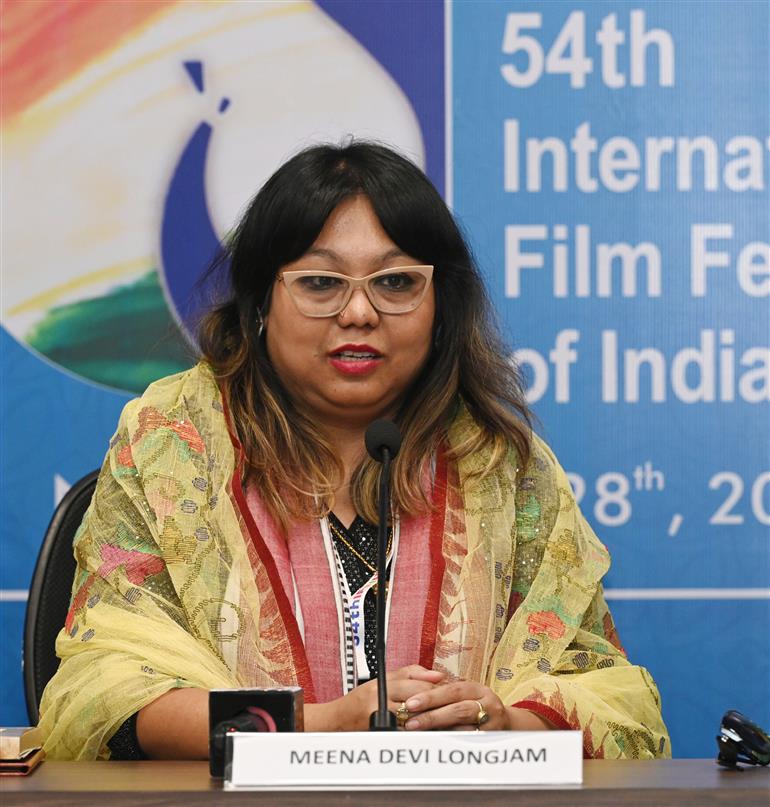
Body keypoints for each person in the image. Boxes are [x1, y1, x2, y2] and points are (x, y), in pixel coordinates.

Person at [35, 142, 670, 761]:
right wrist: (310, 727)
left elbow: (604, 692)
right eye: (320, 283)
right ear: (260, 301)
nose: (360, 312)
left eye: (396, 282)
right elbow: (105, 693)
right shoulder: (170, 443)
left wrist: (501, 723)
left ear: (440, 307)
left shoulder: (501, 462)